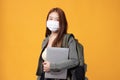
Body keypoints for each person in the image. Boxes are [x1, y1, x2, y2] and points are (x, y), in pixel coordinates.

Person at [36, 7, 80, 80]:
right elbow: (43, 65)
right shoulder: (45, 40)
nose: (53, 21)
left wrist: (52, 66)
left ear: (62, 22)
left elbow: (75, 61)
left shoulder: (68, 39)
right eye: (50, 18)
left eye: (57, 19)